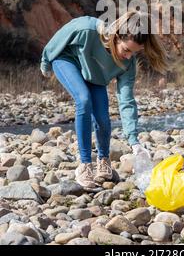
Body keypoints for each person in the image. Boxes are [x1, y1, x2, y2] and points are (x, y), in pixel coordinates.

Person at [40, 10, 169, 189]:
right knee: (84, 100)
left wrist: (134, 141)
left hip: (95, 76)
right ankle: (85, 166)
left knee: (103, 118)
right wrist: (45, 60)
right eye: (126, 50)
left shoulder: (128, 65)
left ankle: (104, 161)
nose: (129, 56)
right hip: (67, 61)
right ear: (117, 36)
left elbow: (126, 101)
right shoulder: (88, 28)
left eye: (135, 52)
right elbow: (61, 36)